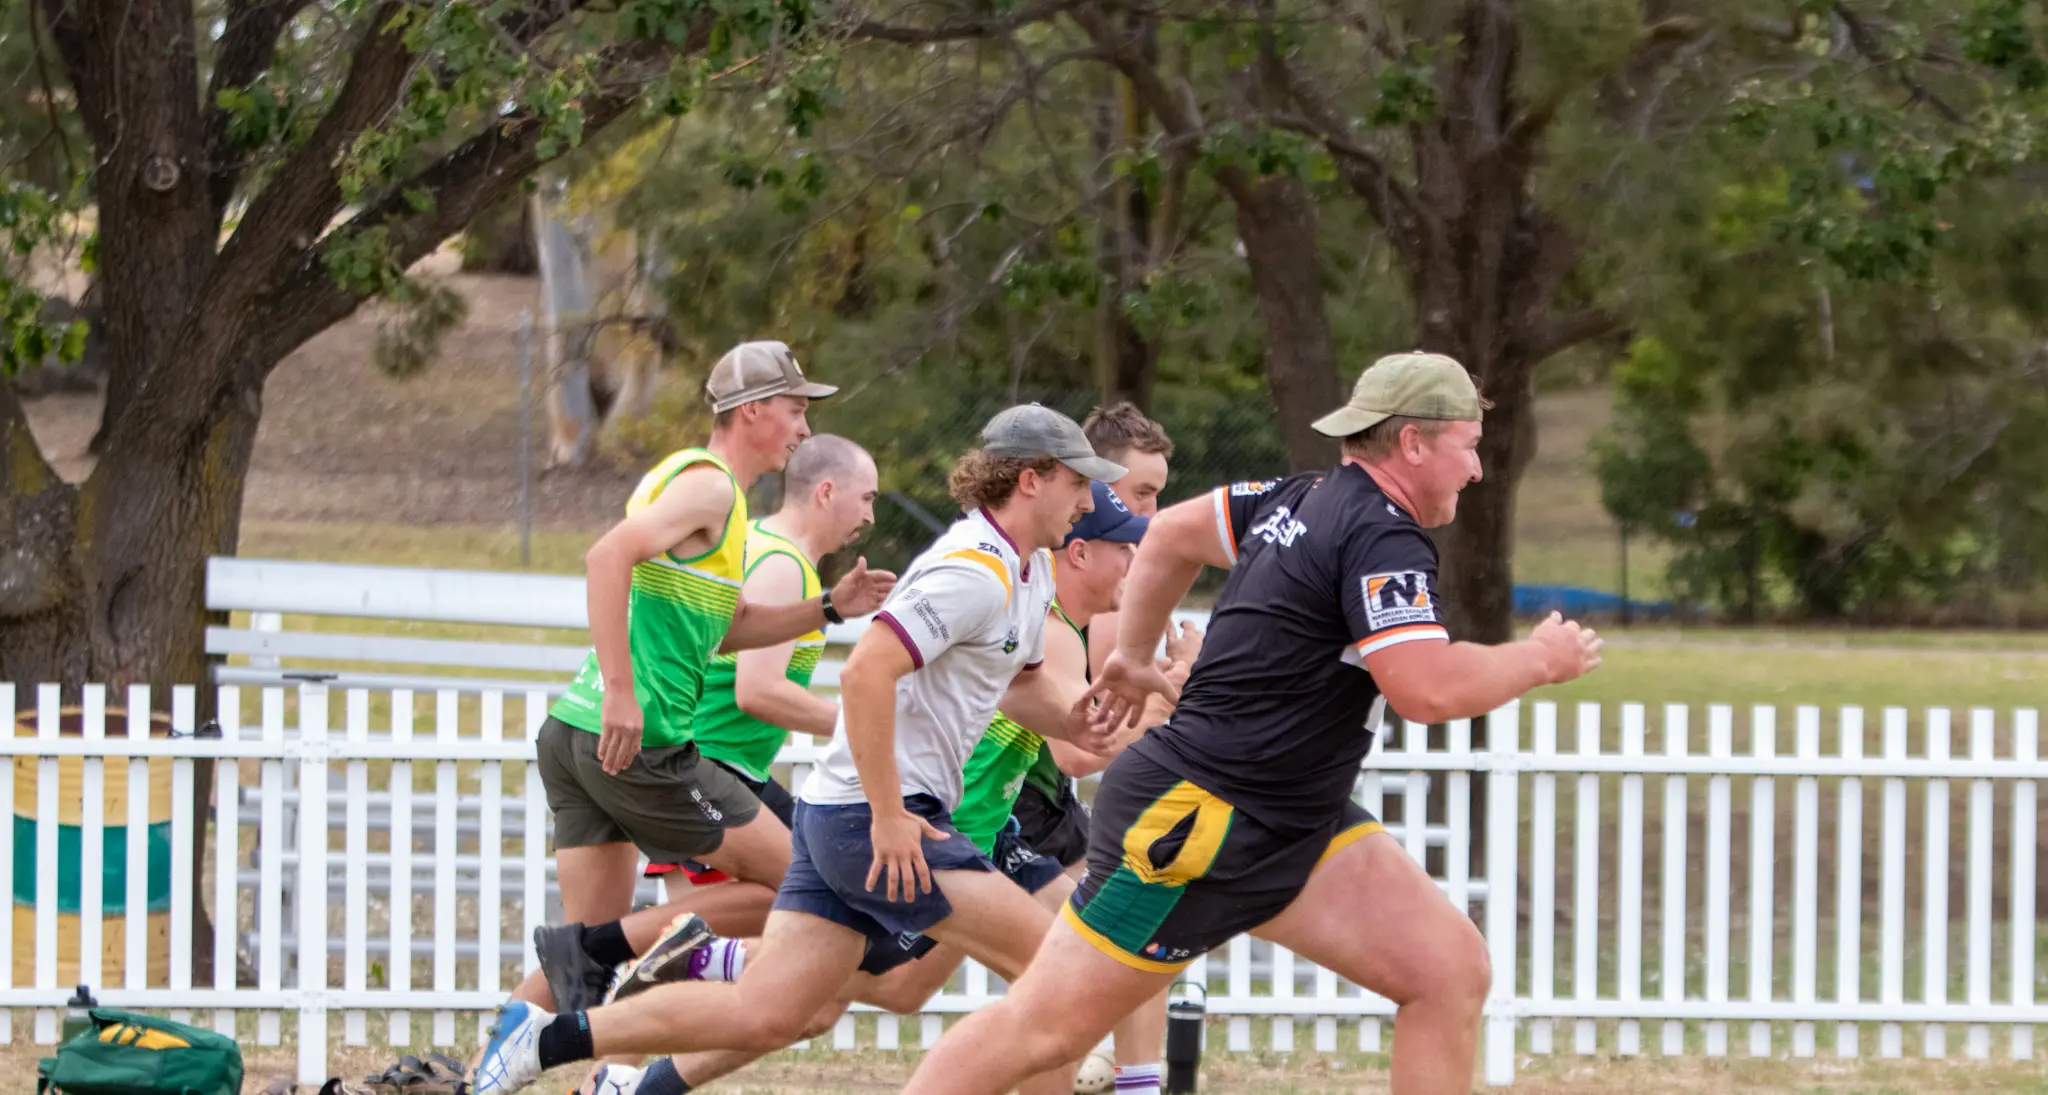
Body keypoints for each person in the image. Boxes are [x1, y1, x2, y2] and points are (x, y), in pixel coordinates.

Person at [899, 352, 1605, 1095]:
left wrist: (1135, 654)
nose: (1479, 470)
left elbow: (1168, 533)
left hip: (1291, 816)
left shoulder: (1296, 495)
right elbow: (1424, 689)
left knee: (1447, 968)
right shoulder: (1380, 535)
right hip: (1198, 819)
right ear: (1414, 443)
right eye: (1469, 444)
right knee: (1044, 1029)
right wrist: (1538, 659)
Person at [473, 405, 1128, 1095]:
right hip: (877, 819)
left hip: (837, 816)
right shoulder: (972, 568)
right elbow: (865, 672)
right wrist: (886, 814)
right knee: (1057, 973)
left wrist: (1072, 720)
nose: (1089, 501)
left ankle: (547, 1036)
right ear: (1032, 479)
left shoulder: (1028, 575)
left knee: (767, 1012)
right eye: (1080, 481)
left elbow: (1017, 686)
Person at [527, 342, 895, 1012]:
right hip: (636, 741)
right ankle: (680, 953)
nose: (805, 429)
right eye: (796, 410)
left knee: (579, 964)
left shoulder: (701, 491)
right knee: (803, 879)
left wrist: (830, 606)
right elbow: (606, 556)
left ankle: (466, 1078)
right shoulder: (711, 485)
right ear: (753, 411)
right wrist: (620, 689)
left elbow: (724, 628)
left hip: (575, 736)